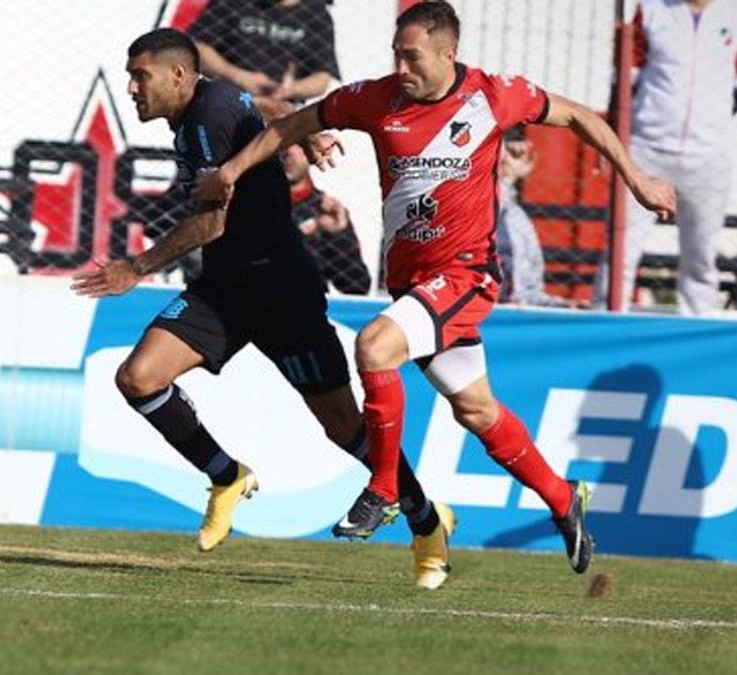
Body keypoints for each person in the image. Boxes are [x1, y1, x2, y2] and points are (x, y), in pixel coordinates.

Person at [193, 1, 675, 574]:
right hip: (413, 285)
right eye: (396, 55)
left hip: (467, 275)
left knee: (374, 347)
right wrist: (230, 171)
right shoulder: (376, 99)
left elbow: (576, 117)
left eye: (413, 56)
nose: (401, 67)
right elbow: (292, 125)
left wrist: (636, 179)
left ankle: (384, 488)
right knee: (476, 410)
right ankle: (561, 496)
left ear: (449, 54)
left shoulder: (493, 96)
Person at [71, 28, 458, 590]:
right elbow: (266, 107)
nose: (132, 88)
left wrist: (137, 267)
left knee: (343, 426)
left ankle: (426, 522)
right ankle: (226, 476)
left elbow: (212, 223)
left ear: (178, 75)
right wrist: (308, 134)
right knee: (138, 378)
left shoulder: (207, 117)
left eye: (140, 76)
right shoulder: (214, 101)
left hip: (280, 287)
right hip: (225, 287)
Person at [593, 0, 737, 315]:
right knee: (621, 248)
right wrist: (616, 133)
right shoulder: (652, 9)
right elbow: (627, 74)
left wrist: (711, 120)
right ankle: (605, 320)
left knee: (701, 254)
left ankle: (697, 325)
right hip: (646, 149)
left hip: (708, 156)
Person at [189, 0, 339, 118]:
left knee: (299, 146)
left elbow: (322, 78)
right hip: (223, 101)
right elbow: (197, 47)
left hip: (279, 113)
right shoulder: (233, 3)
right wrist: (238, 76)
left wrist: (290, 89)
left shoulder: (317, 14)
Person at [496, 126, 574, 308]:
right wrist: (506, 178)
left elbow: (527, 294)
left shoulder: (517, 220)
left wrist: (557, 306)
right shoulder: (462, 212)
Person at [283, 143, 372, 295]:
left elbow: (357, 286)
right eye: (282, 142)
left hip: (305, 304)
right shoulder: (251, 206)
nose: (288, 151)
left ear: (312, 152)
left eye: (297, 142)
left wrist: (338, 236)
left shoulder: (325, 210)